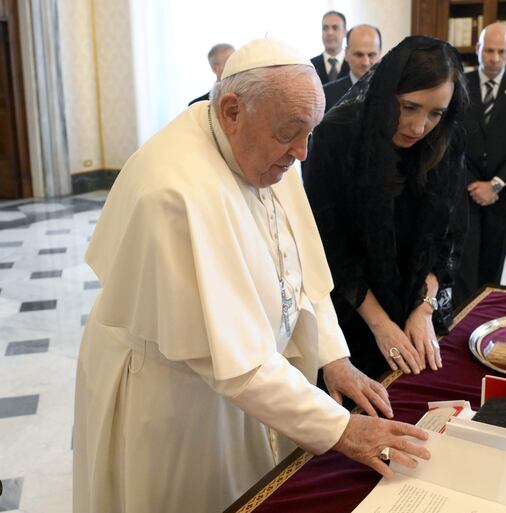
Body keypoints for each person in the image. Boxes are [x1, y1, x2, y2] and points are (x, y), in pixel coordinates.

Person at [73, 39, 431, 513]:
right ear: (231, 111)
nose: (303, 153)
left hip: (255, 378)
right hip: (177, 397)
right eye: (291, 134)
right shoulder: (174, 191)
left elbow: (300, 265)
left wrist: (332, 356)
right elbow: (235, 363)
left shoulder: (270, 147)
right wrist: (340, 428)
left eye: (311, 133)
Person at [303, 36, 470, 380]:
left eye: (435, 113)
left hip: (418, 307)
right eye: (409, 107)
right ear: (386, 93)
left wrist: (423, 309)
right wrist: (381, 324)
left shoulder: (446, 140)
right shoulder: (336, 135)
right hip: (351, 313)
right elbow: (332, 249)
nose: (419, 127)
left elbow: (448, 239)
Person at [453, 22, 506, 306]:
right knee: (464, 270)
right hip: (464, 194)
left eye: (501, 51)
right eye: (488, 50)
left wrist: (496, 184)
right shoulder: (458, 84)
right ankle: (462, 323)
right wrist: (469, 183)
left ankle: (487, 319)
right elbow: (451, 141)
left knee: (492, 272)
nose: (494, 57)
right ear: (477, 49)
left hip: (503, 196)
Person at [323, 24, 382, 112]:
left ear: (380, 54)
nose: (365, 62)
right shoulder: (326, 95)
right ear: (346, 53)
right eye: (359, 55)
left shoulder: (394, 92)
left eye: (371, 55)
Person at [311, 10, 350, 84]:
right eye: (325, 28)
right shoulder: (310, 66)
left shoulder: (354, 64)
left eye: (335, 28)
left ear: (345, 32)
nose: (329, 33)